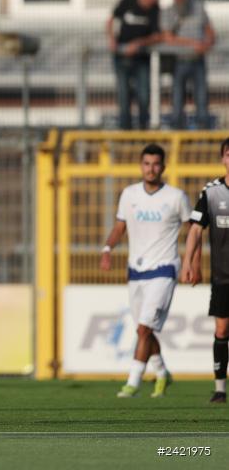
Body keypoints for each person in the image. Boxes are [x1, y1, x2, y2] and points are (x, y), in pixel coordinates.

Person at [100, 144, 191, 398]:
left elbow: (193, 231)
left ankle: (133, 382)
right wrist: (107, 248)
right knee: (146, 330)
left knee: (143, 329)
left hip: (164, 269)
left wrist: (190, 263)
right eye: (147, 163)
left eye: (156, 164)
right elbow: (120, 226)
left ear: (163, 167)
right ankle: (162, 373)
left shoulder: (176, 197)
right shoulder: (129, 195)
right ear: (141, 166)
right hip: (136, 271)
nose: (151, 169)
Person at [181, 137, 229, 404]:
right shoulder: (211, 193)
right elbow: (196, 229)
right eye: (228, 154)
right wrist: (189, 261)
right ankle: (220, 388)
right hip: (223, 276)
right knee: (222, 331)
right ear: (223, 158)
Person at [162, 0, 216, 129]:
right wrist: (194, 44)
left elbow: (209, 30)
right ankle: (178, 131)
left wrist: (208, 42)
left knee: (201, 97)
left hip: (198, 60)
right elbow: (168, 38)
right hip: (179, 61)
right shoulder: (168, 11)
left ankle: (203, 133)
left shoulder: (198, 7)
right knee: (178, 98)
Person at [107, 0, 161, 130]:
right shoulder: (128, 1)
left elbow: (157, 36)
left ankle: (143, 130)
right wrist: (111, 39)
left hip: (141, 60)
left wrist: (139, 43)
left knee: (144, 97)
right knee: (124, 97)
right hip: (121, 58)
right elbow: (111, 20)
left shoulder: (155, 10)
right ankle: (125, 132)